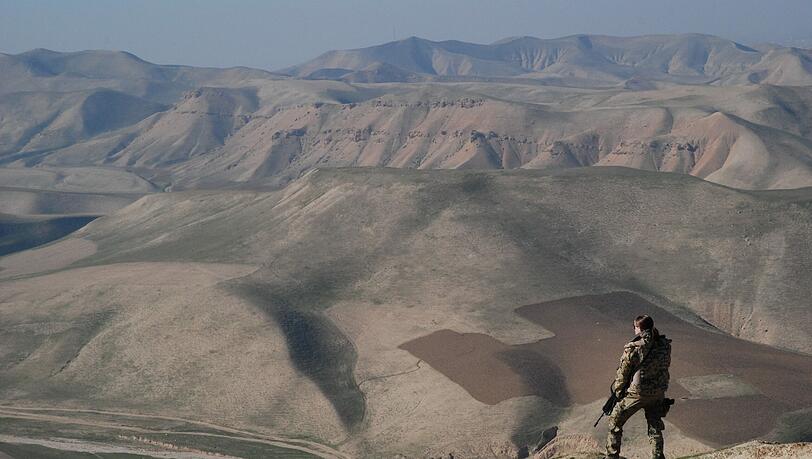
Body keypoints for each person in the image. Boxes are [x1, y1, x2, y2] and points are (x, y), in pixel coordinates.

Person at [605, 315, 672, 459]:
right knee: (655, 427)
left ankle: (611, 456)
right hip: (658, 392)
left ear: (638, 328)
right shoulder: (664, 345)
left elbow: (623, 372)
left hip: (638, 393)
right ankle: (657, 456)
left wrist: (618, 391)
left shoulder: (634, 348)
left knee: (615, 421)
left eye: (635, 327)